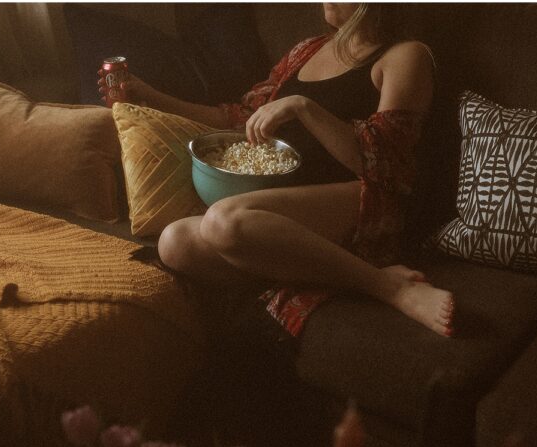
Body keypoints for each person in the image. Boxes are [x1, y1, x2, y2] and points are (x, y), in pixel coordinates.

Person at [98, 3, 454, 337]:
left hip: (360, 197)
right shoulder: (309, 50)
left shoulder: (405, 55)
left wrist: (303, 107)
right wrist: (145, 95)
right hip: (283, 203)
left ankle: (388, 286)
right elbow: (236, 118)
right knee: (174, 243)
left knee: (225, 222)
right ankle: (312, 269)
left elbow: (387, 166)